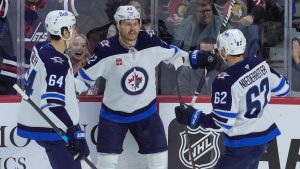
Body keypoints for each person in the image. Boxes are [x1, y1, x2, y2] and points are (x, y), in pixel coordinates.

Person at [75, 5, 217, 169]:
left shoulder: (150, 42)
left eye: (136, 23)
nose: (133, 28)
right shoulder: (105, 50)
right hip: (113, 116)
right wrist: (66, 90)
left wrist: (199, 57)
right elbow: (83, 80)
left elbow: (175, 54)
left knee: (159, 160)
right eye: (127, 24)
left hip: (146, 113)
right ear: (118, 25)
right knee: (106, 163)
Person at [174, 29, 290, 169]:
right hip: (264, 138)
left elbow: (222, 122)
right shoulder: (259, 63)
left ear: (224, 51)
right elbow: (284, 89)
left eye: (219, 51)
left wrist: (195, 117)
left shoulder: (224, 81)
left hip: (243, 143)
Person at [17, 10, 90, 169]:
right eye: (73, 28)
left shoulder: (41, 48)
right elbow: (52, 103)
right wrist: (73, 131)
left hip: (46, 124)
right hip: (53, 128)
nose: (76, 33)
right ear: (65, 32)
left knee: (80, 157)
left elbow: (47, 82)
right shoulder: (57, 63)